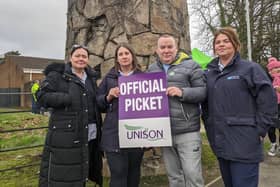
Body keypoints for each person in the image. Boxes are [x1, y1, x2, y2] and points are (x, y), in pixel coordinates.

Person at [202, 27, 278, 187]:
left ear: (235, 44)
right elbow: (204, 102)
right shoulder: (209, 73)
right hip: (221, 143)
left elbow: (268, 100)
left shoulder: (250, 69)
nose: (221, 45)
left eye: (226, 41)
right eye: (217, 42)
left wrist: (260, 129)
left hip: (245, 142)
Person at [37, 44, 103, 187]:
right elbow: (42, 96)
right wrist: (66, 98)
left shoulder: (91, 78)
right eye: (77, 56)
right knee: (65, 174)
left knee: (83, 170)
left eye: (84, 56)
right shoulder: (57, 76)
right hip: (66, 135)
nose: (81, 59)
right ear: (70, 58)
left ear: (88, 59)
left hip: (90, 134)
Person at [147, 34, 206, 187]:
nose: (166, 50)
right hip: (164, 133)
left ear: (176, 48)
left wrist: (183, 92)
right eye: (163, 47)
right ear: (157, 50)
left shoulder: (192, 65)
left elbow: (203, 92)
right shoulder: (151, 70)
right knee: (174, 177)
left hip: (187, 130)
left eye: (169, 47)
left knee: (192, 175)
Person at [97, 43, 144, 187]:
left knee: (133, 173)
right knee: (118, 173)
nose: (124, 57)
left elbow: (152, 106)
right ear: (117, 59)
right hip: (114, 134)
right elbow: (98, 103)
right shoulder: (110, 78)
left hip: (137, 133)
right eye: (121, 54)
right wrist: (108, 96)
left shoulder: (143, 78)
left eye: (126, 53)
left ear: (132, 56)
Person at [266, 57, 280, 156]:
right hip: (271, 106)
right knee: (270, 127)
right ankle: (273, 144)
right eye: (270, 70)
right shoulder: (267, 78)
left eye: (273, 69)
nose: (271, 71)